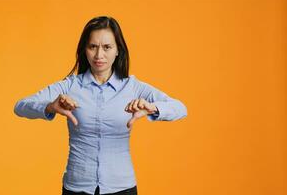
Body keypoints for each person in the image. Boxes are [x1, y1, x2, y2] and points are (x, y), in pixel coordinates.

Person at [14, 16, 187, 195]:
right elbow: (20, 106)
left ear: (118, 50)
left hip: (122, 187)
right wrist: (50, 107)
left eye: (107, 47)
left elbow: (181, 108)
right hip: (77, 187)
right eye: (93, 47)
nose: (99, 55)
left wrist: (153, 108)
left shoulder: (133, 87)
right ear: (85, 50)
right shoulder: (69, 86)